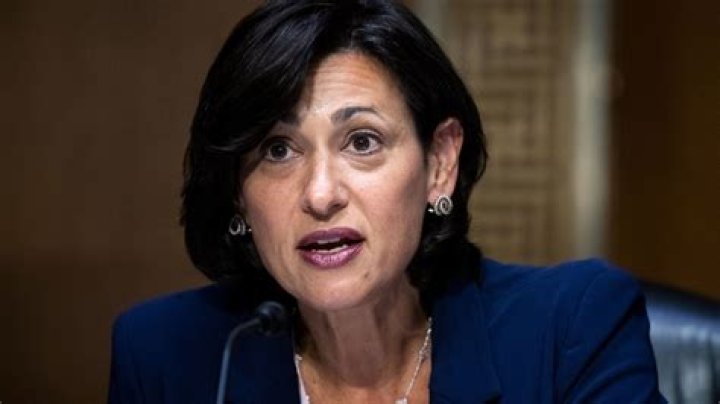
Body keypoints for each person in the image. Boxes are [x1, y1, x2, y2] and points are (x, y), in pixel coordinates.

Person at [108, 1, 666, 403]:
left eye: (362, 142)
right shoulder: (165, 355)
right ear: (237, 192)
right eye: (278, 150)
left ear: (439, 164)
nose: (320, 194)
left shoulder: (572, 328)